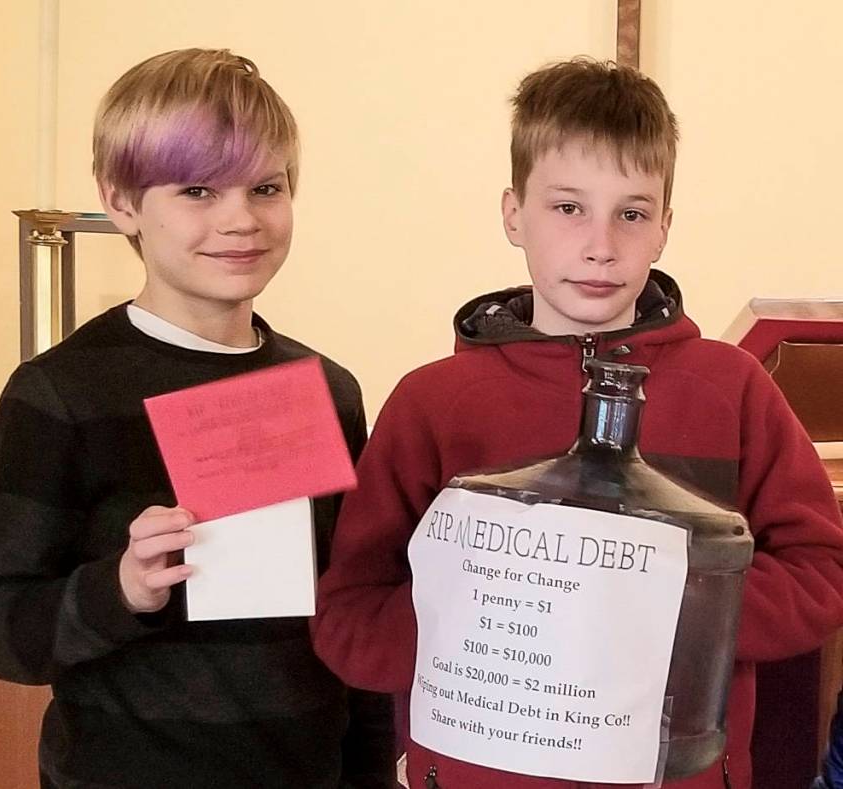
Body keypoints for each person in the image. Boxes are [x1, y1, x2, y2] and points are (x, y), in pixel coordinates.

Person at [311, 57, 843, 789]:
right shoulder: (432, 404)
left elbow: (821, 572)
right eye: (568, 208)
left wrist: (662, 614)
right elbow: (349, 618)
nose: (601, 244)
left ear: (663, 228)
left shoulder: (733, 389)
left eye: (631, 212)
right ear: (511, 213)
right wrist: (501, 623)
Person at [0, 48, 394, 789]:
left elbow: (355, 612)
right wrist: (118, 589)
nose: (241, 219)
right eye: (197, 189)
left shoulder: (327, 389)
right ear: (122, 201)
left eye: (266, 187)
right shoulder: (60, 394)